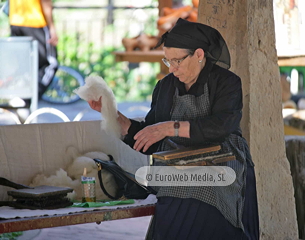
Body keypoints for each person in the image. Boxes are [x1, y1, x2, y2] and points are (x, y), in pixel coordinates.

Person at [88, 18, 259, 240]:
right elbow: (151, 137)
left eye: (178, 60)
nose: (173, 68)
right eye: (168, 61)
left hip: (224, 161)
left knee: (201, 193)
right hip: (178, 166)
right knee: (173, 194)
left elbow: (221, 127)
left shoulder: (227, 82)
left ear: (199, 54)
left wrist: (169, 128)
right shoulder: (166, 87)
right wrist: (113, 115)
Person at [8, 0, 58, 98]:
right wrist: (52, 27)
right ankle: (28, 98)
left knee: (23, 66)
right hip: (35, 22)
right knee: (50, 64)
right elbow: (46, 2)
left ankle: (20, 98)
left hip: (15, 22)